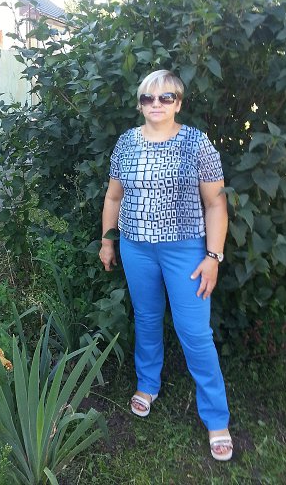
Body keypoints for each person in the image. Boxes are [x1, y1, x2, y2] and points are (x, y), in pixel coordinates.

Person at [99, 69, 233, 461]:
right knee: (146, 317)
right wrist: (108, 240)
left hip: (186, 251)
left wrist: (213, 257)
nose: (156, 104)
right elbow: (113, 197)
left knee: (195, 332)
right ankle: (147, 384)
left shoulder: (196, 143)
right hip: (136, 248)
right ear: (140, 103)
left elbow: (216, 204)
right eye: (148, 97)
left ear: (179, 102)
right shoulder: (126, 143)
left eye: (165, 97)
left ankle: (216, 418)